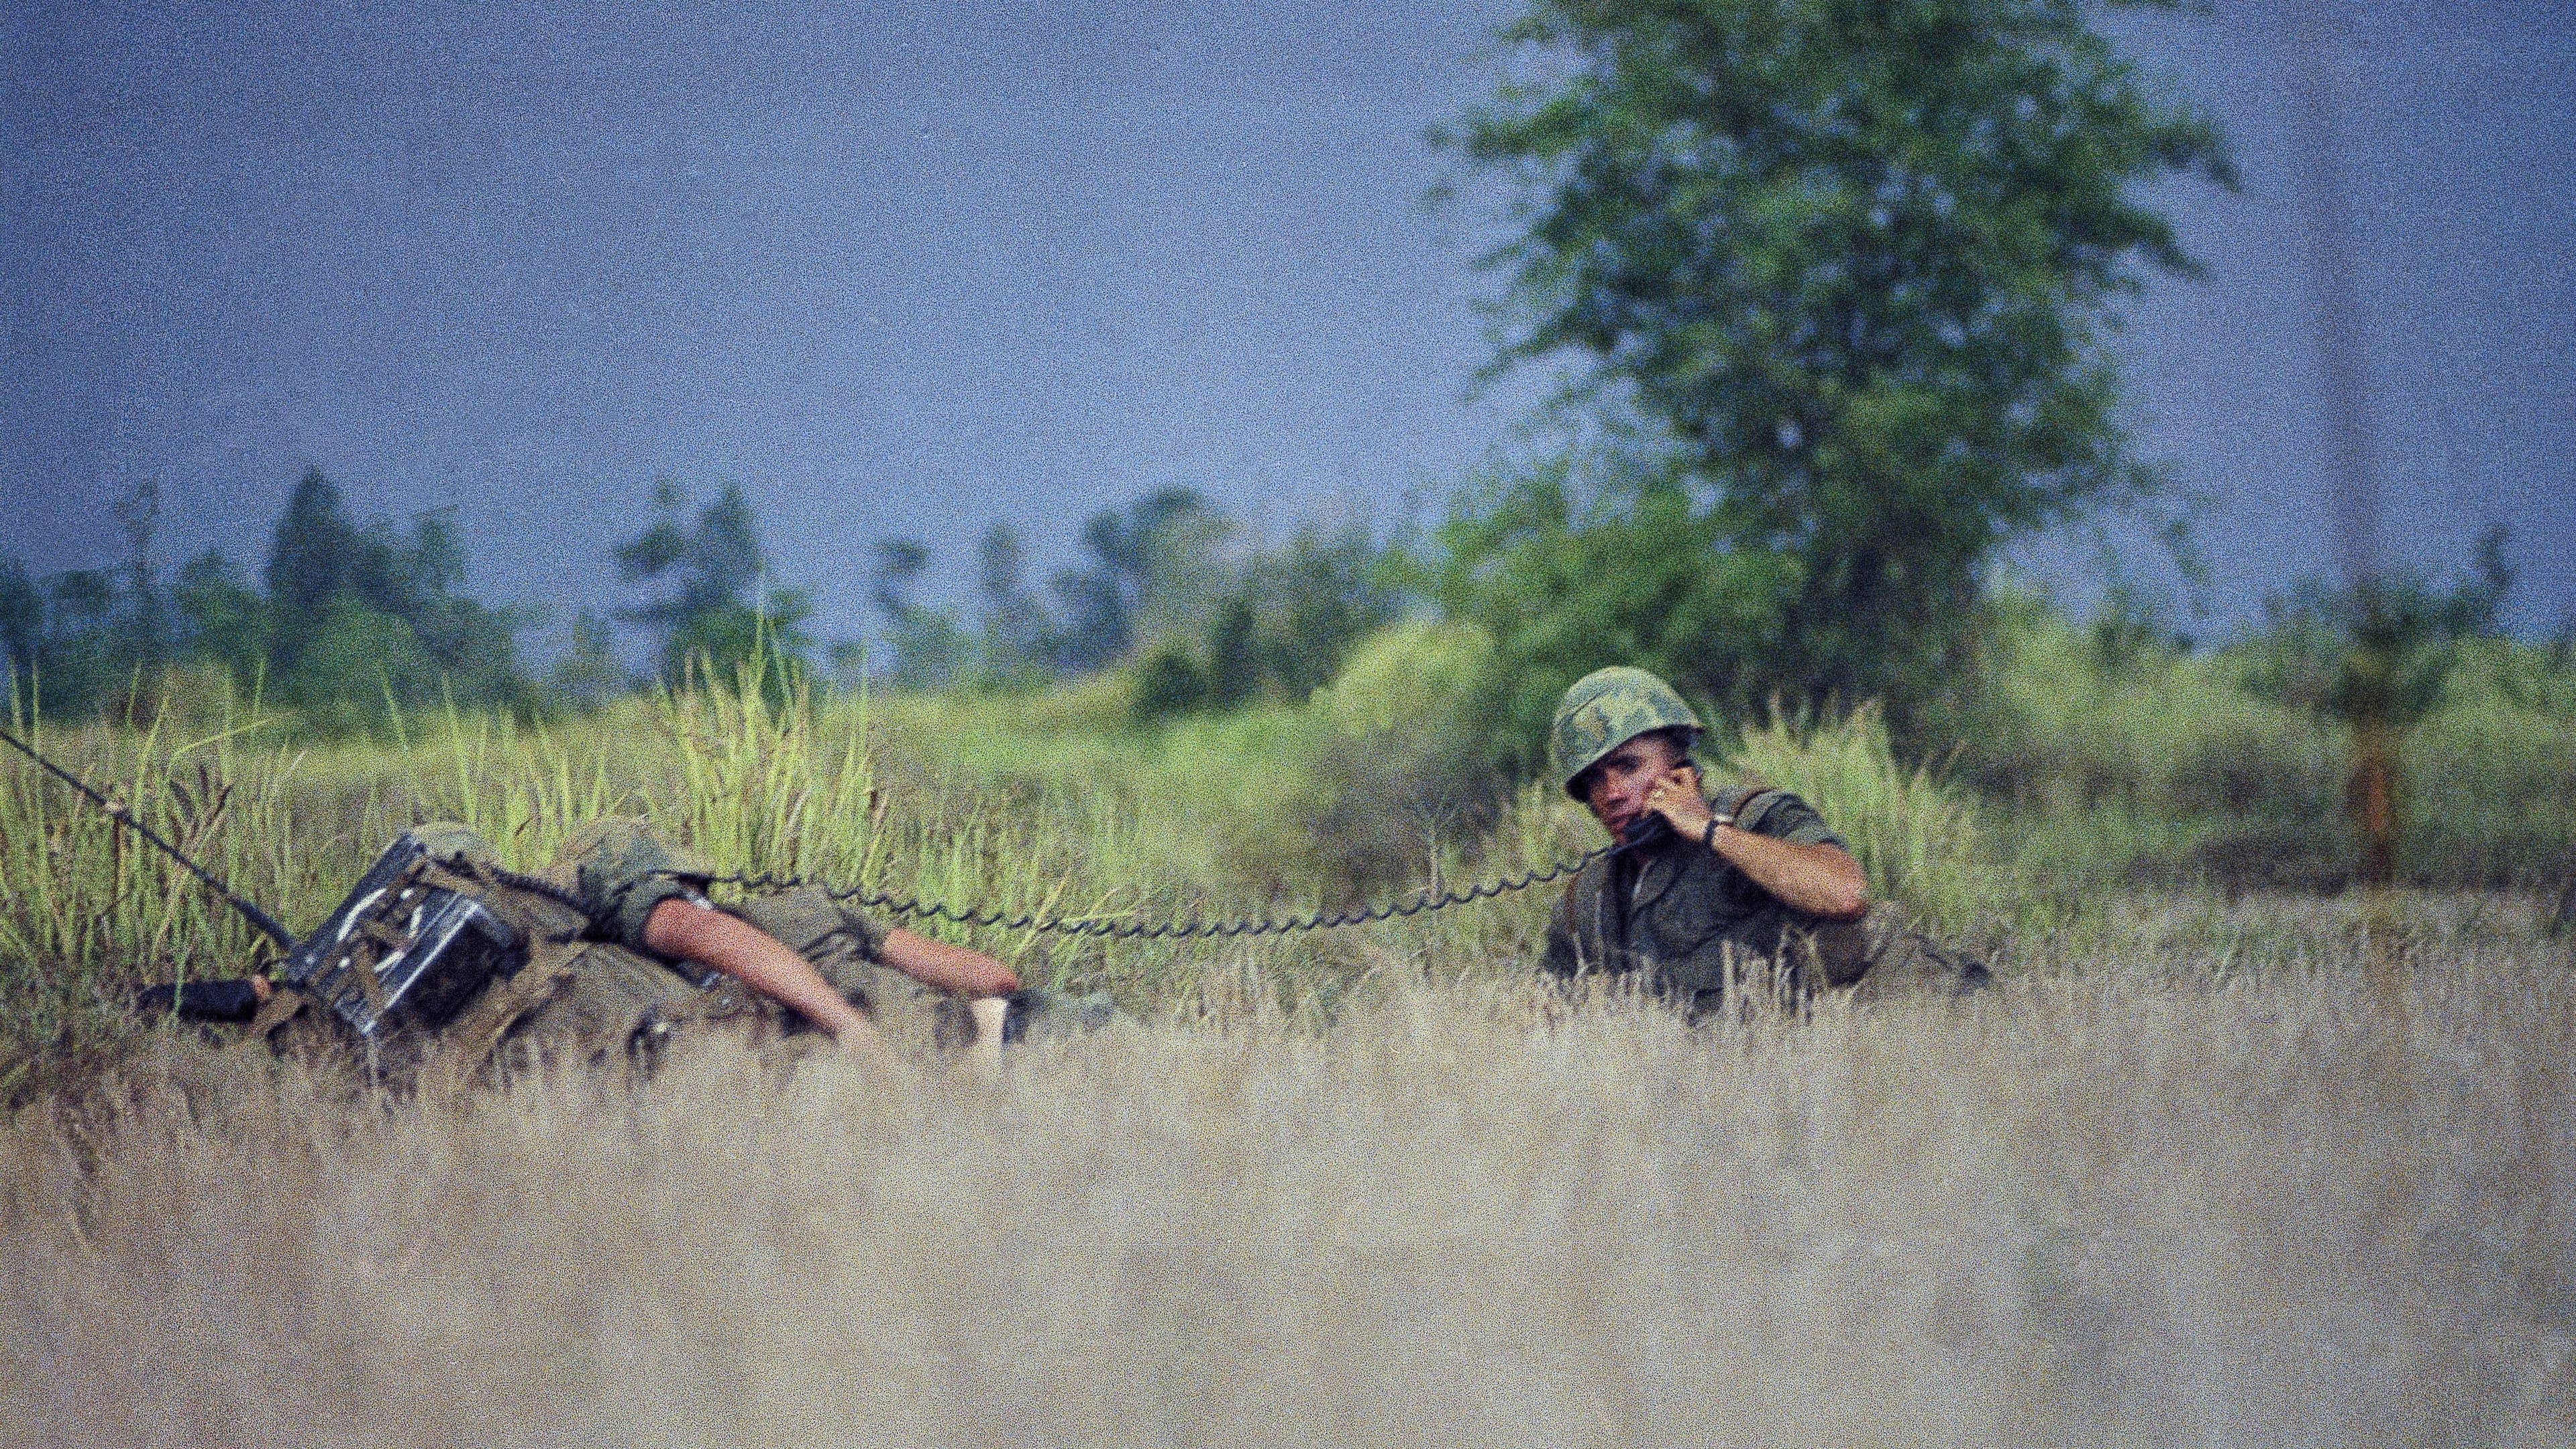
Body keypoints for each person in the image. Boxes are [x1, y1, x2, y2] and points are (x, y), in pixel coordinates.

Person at [228, 816, 1107, 1091]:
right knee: (1075, 1039)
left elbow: (261, 998)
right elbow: (693, 930)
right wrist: (855, 1033)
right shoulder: (597, 869)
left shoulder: (396, 1000)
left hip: (711, 1070)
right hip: (919, 1044)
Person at [1540, 666, 1976, 1012]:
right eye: (1594, 781)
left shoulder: (1752, 818)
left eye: (1629, 767)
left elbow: (1847, 893)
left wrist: (1711, 831)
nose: (1612, 793)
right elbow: (1544, 1022)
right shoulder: (1588, 903)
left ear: (1679, 763)